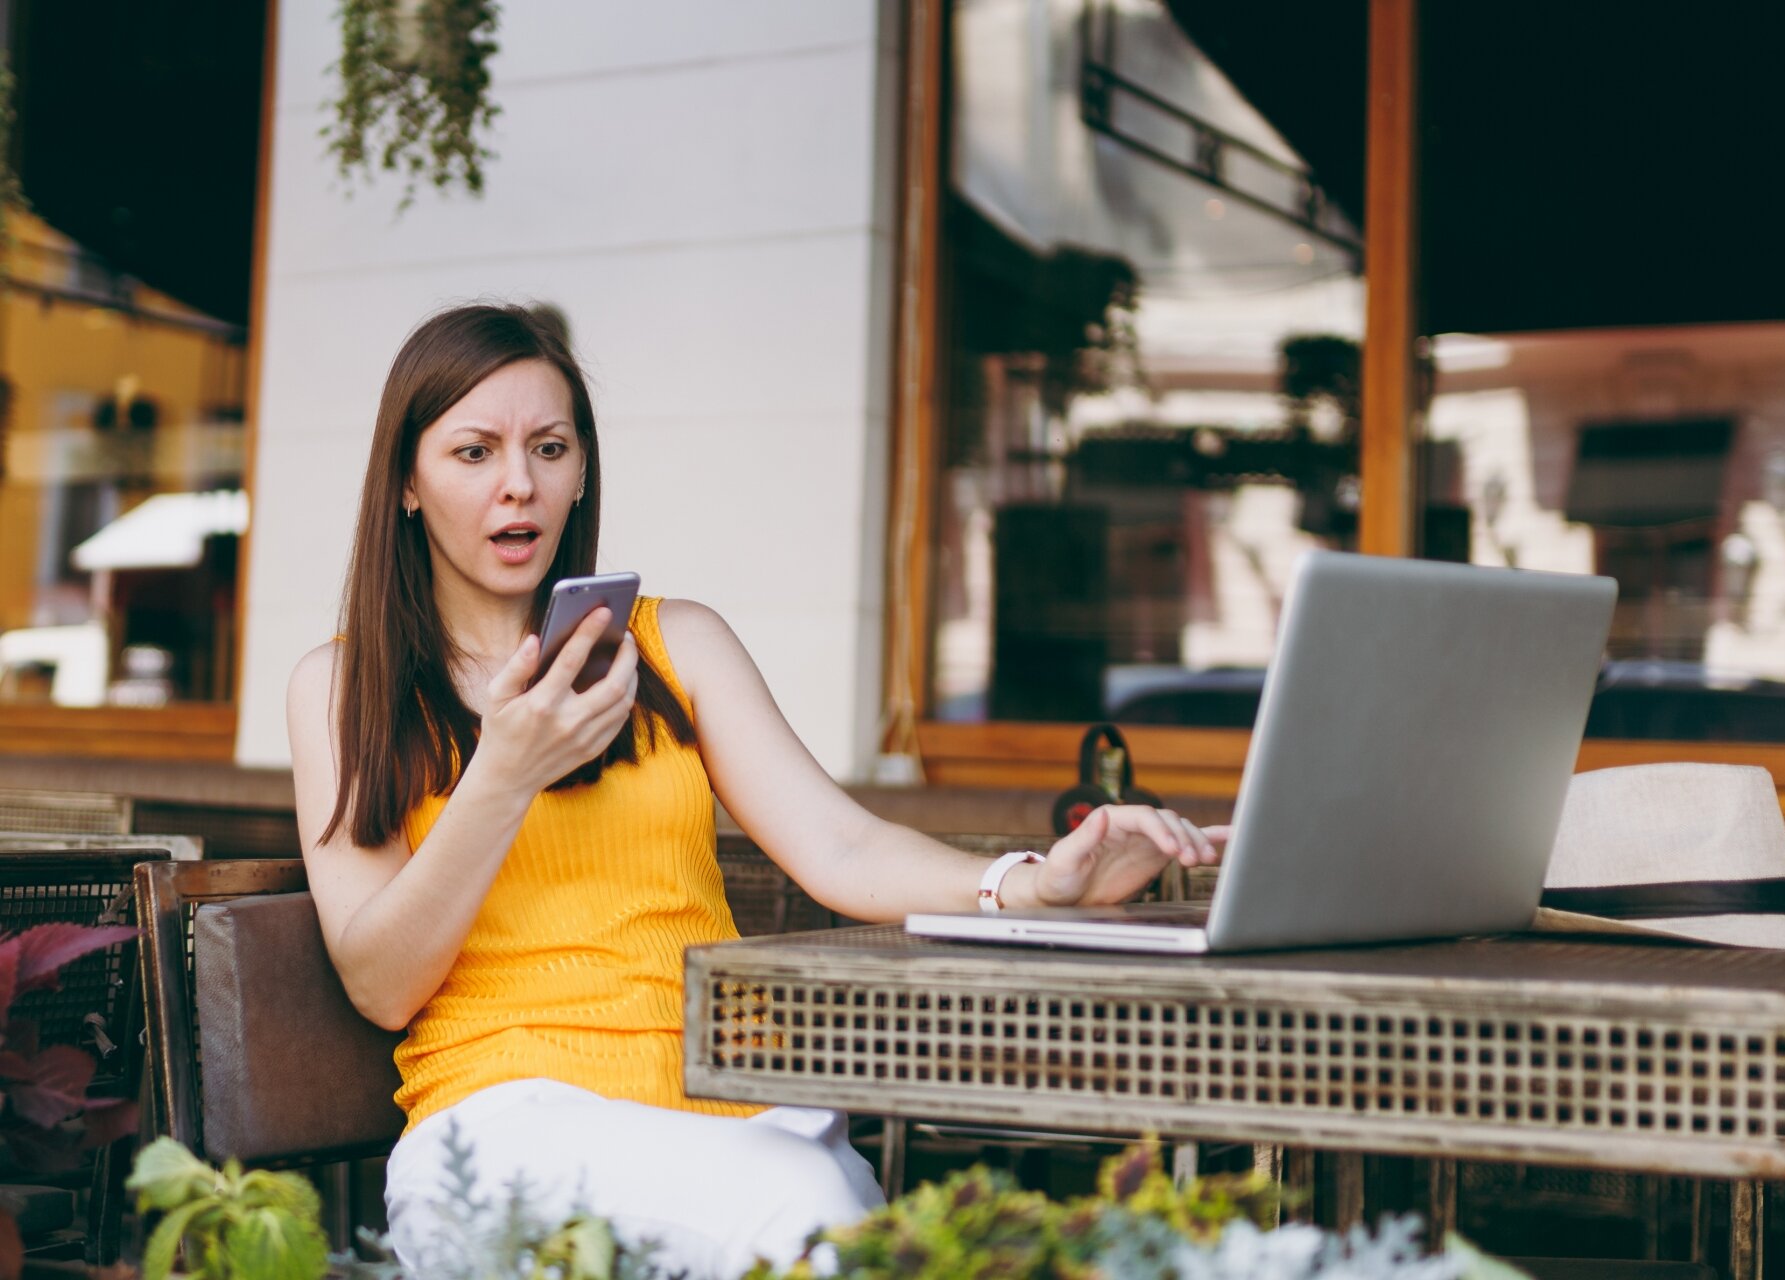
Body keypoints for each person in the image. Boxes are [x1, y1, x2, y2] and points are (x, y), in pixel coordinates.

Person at [285, 303, 1227, 1278]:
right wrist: (506, 770)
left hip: (740, 1107)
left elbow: (842, 847)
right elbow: (380, 980)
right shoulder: (342, 688)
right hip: (501, 1131)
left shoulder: (672, 643)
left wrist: (1029, 886)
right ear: (406, 479)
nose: (519, 482)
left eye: (550, 446)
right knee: (816, 1220)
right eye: (473, 451)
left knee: (867, 1226)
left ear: (581, 470)